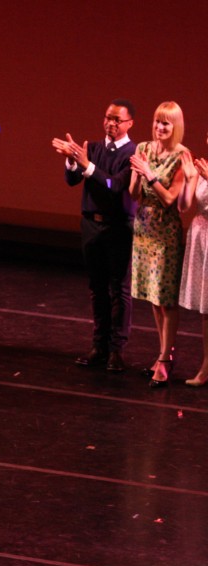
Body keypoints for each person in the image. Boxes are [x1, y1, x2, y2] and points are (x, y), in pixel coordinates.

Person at [52, 100, 137, 372]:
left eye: (117, 120)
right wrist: (71, 160)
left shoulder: (134, 153)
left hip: (118, 227)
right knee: (97, 288)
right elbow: (73, 181)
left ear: (129, 124)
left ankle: (116, 350)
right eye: (107, 118)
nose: (111, 123)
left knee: (119, 290)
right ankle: (98, 346)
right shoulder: (94, 149)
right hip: (91, 225)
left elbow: (114, 185)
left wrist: (86, 164)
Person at [128, 101, 187, 388]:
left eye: (166, 123)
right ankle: (162, 354)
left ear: (175, 126)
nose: (159, 127)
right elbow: (133, 193)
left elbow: (170, 199)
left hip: (165, 233)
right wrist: (138, 174)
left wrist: (149, 173)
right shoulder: (143, 149)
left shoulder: (181, 156)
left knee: (165, 298)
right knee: (153, 296)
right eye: (156, 121)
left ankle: (165, 359)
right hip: (143, 229)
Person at [178, 135, 208, 386]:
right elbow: (185, 205)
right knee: (207, 310)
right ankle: (206, 366)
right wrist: (189, 179)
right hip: (201, 237)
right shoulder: (202, 167)